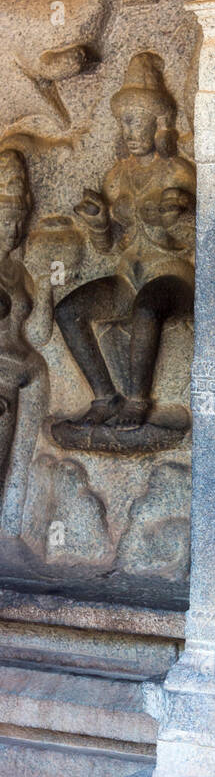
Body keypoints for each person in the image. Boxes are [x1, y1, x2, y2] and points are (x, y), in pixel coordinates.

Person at [55, 52, 195, 430]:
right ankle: (105, 396)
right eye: (124, 122)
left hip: (171, 275)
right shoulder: (117, 177)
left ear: (156, 123)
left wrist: (180, 217)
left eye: (136, 121)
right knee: (67, 311)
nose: (129, 131)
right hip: (127, 276)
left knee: (146, 309)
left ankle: (137, 400)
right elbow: (107, 247)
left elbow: (200, 240)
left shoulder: (178, 172)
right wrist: (99, 224)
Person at [0, 149, 48, 535]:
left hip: (29, 373)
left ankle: (13, 527)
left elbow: (40, 333)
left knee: (19, 467)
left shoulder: (19, 270)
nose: (13, 230)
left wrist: (47, 286)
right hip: (2, 378)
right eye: (4, 221)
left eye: (18, 220)